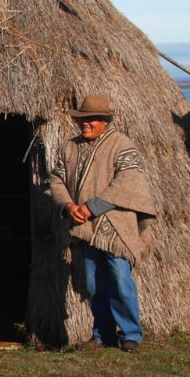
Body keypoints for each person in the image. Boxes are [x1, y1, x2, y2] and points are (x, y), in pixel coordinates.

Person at [49, 95, 157, 353]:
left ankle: (130, 334)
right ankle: (103, 334)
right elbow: (55, 180)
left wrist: (91, 207)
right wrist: (68, 206)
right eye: (83, 119)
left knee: (120, 278)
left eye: (92, 120)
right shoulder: (70, 147)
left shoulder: (121, 145)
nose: (86, 124)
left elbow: (129, 182)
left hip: (116, 227)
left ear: (105, 121)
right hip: (85, 229)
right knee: (94, 283)